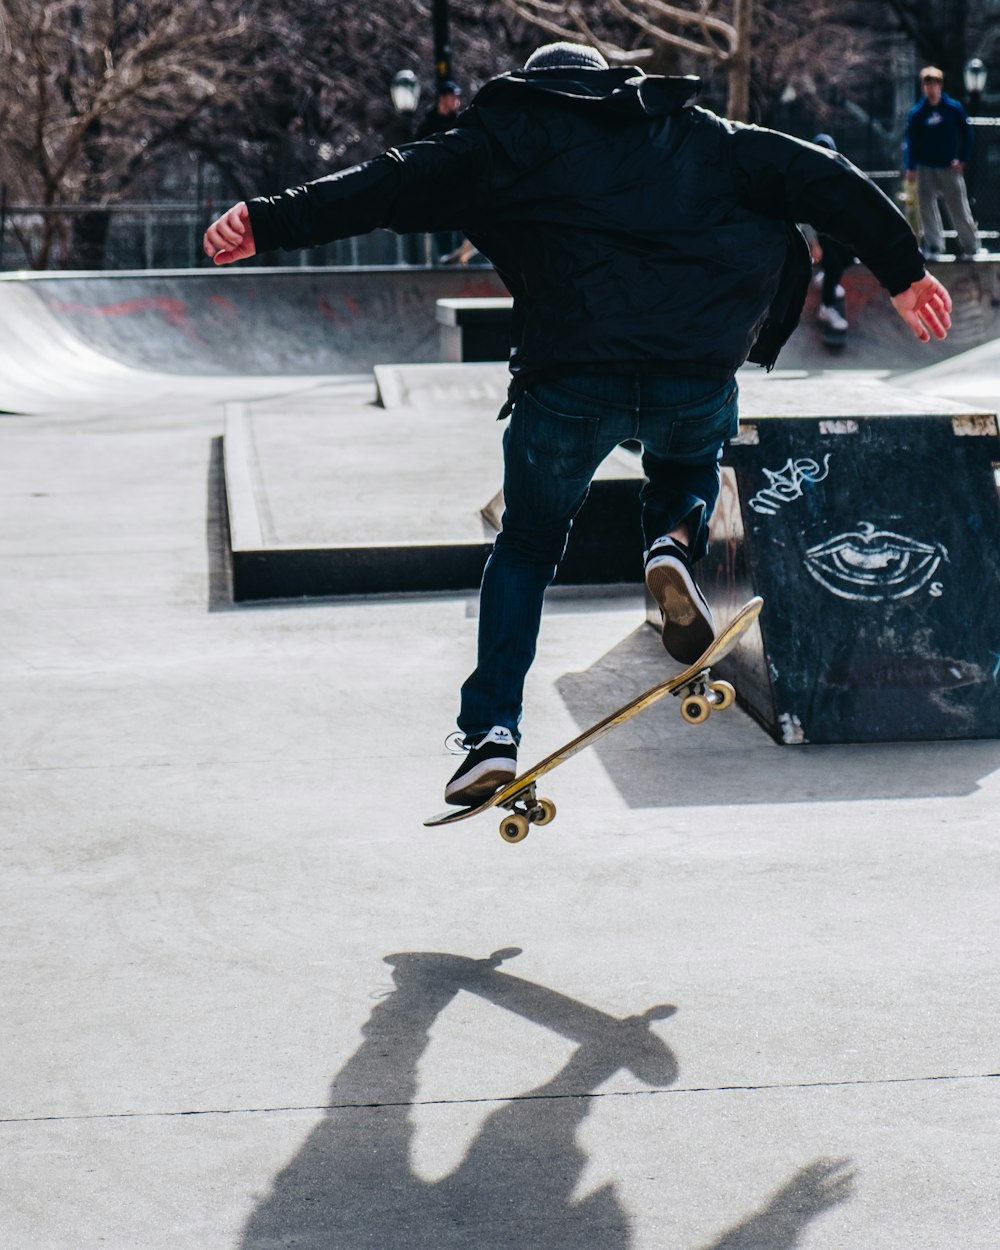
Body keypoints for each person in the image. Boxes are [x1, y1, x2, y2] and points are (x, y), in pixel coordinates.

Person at [204, 42, 952, 807]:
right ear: (610, 81)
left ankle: (490, 732)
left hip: (568, 383)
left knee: (526, 547)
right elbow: (821, 178)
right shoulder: (694, 132)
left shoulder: (501, 142)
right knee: (689, 457)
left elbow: (389, 182)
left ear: (534, 88)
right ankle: (674, 540)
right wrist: (904, 269)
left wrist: (267, 221)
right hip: (690, 372)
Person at [904, 66, 983, 261]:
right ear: (923, 87)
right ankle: (934, 246)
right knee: (926, 207)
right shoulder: (918, 113)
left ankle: (971, 246)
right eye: (926, 84)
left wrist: (962, 158)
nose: (930, 88)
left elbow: (967, 133)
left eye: (934, 84)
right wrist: (911, 166)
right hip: (925, 167)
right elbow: (910, 141)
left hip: (948, 166)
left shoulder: (952, 108)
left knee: (958, 206)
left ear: (940, 86)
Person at [809, 134, 856, 335]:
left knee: (850, 255)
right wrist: (813, 243)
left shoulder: (838, 176)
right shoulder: (808, 179)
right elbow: (804, 215)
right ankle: (826, 308)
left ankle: (826, 278)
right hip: (815, 233)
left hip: (832, 230)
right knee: (834, 263)